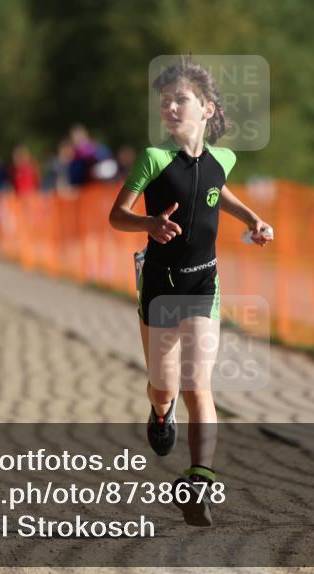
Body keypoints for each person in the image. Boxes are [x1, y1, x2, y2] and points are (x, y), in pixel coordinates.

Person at [108, 57, 273, 526]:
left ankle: (199, 480)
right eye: (165, 101)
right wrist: (148, 224)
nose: (171, 107)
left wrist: (253, 220)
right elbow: (116, 215)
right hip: (159, 286)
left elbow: (219, 192)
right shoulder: (153, 159)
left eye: (181, 99)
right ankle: (160, 413)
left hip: (203, 283)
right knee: (165, 386)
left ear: (206, 109)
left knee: (197, 384)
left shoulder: (224, 159)